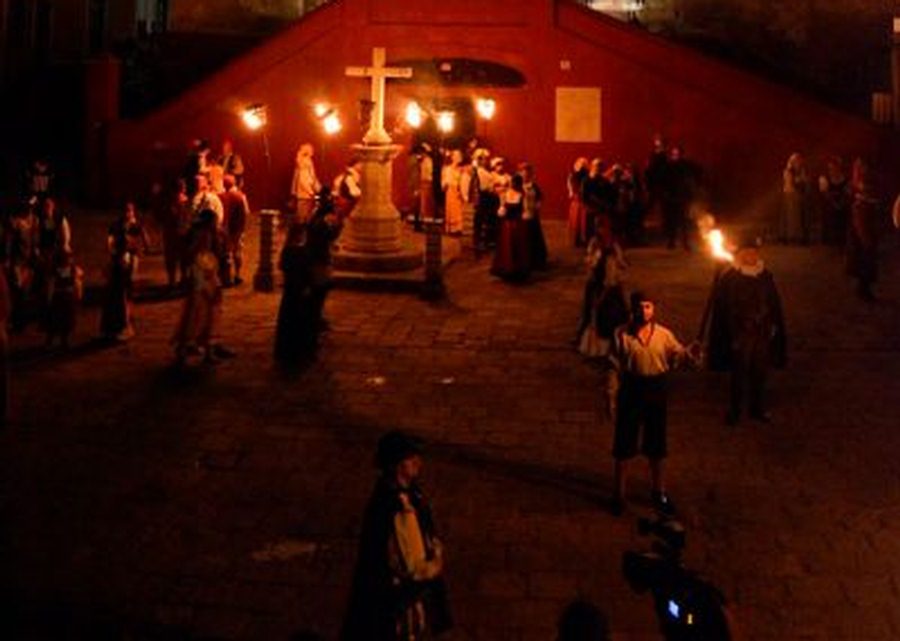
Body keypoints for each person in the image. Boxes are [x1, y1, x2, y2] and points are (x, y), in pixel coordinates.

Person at [341, 430, 452, 641]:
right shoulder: (399, 507)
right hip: (397, 596)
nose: (418, 463)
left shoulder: (399, 491)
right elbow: (412, 566)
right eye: (411, 459)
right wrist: (436, 563)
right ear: (396, 465)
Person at [609, 291, 697, 516]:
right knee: (624, 443)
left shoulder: (664, 335)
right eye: (640, 306)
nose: (644, 311)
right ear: (633, 309)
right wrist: (611, 396)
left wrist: (690, 354)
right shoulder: (620, 334)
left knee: (656, 444)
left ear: (653, 308)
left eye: (648, 306)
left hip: (656, 391)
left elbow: (678, 356)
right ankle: (619, 494)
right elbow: (613, 368)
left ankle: (659, 492)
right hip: (631, 389)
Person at [707, 233, 787, 426]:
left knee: (759, 372)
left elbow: (774, 303)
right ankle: (735, 410)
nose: (751, 255)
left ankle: (756, 408)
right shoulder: (730, 278)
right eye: (747, 252)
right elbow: (724, 309)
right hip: (740, 334)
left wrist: (773, 324)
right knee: (739, 373)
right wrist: (731, 334)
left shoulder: (765, 276)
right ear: (740, 254)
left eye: (754, 252)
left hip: (762, 332)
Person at [172, 210, 224, 364]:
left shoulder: (203, 233)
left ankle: (200, 349)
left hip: (205, 273)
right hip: (203, 274)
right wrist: (205, 282)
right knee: (199, 313)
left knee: (202, 313)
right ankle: (191, 349)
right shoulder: (204, 235)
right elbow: (197, 255)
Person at [274, 222, 317, 366]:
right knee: (299, 321)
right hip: (300, 290)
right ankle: (298, 350)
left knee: (287, 320)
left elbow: (283, 267)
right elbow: (308, 271)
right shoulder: (302, 252)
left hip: (289, 290)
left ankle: (285, 350)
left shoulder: (287, 250)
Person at [100, 205, 142, 341]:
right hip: (117, 267)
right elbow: (110, 243)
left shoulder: (134, 227)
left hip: (123, 268)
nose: (127, 213)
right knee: (115, 299)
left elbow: (141, 244)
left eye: (129, 211)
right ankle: (114, 328)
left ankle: (124, 326)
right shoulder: (116, 227)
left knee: (122, 298)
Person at [306, 187, 343, 330]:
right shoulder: (320, 222)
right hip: (319, 259)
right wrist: (338, 225)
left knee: (319, 291)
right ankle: (315, 318)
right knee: (319, 292)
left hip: (316, 258)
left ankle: (315, 317)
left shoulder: (314, 217)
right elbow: (328, 235)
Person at [846, 157, 881, 302]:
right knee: (864, 257)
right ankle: (863, 289)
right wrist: (866, 238)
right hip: (862, 220)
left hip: (867, 218)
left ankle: (864, 288)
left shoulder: (865, 183)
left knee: (866, 258)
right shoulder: (859, 187)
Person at [491, 174, 530, 281]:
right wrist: (502, 211)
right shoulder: (506, 194)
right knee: (507, 247)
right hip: (507, 225)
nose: (512, 184)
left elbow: (525, 210)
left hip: (517, 225)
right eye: (512, 182)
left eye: (514, 182)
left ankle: (517, 270)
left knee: (517, 247)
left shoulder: (522, 195)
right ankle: (506, 269)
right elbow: (502, 207)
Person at [43, 249, 82, 348]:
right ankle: (51, 340)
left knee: (66, 320)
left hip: (67, 296)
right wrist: (49, 296)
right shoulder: (58, 269)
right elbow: (53, 282)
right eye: (68, 258)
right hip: (60, 296)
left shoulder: (70, 268)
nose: (70, 259)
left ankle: (63, 339)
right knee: (57, 319)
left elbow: (75, 281)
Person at [660, 145, 695, 251]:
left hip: (681, 197)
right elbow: (664, 182)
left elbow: (688, 181)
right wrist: (666, 194)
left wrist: (688, 195)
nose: (676, 156)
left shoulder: (685, 166)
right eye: (674, 154)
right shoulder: (668, 166)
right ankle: (671, 242)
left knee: (683, 222)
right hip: (671, 198)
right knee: (672, 221)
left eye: (678, 153)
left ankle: (685, 243)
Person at [219, 174, 250, 286]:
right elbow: (245, 213)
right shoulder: (240, 196)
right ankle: (237, 275)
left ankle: (227, 277)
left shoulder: (220, 196)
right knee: (237, 252)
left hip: (224, 229)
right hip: (236, 228)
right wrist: (242, 228)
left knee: (226, 253)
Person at [520, 162, 548, 271]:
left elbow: (540, 197)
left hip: (533, 215)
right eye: (523, 172)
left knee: (534, 236)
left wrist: (538, 205)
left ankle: (536, 259)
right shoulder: (517, 185)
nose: (525, 174)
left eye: (527, 172)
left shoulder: (533, 185)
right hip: (521, 215)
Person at [818, 156, 850, 246]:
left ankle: (841, 239)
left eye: (835, 168)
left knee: (843, 212)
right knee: (830, 212)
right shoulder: (825, 179)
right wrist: (834, 203)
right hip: (829, 204)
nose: (832, 170)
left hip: (841, 203)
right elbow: (825, 194)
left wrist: (841, 203)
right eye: (830, 169)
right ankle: (830, 239)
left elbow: (847, 193)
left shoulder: (845, 179)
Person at [469, 148, 496, 254]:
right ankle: (481, 243)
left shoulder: (482, 171)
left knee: (481, 221)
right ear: (481, 160)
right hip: (485, 198)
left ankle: (480, 242)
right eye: (484, 159)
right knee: (483, 220)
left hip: (484, 198)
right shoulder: (480, 172)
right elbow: (485, 187)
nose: (486, 161)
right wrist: (492, 188)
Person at [780, 152, 810, 244]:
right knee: (792, 218)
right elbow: (789, 185)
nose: (798, 163)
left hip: (800, 197)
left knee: (800, 218)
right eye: (796, 161)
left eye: (799, 161)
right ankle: (792, 237)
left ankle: (800, 237)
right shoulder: (788, 171)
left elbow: (806, 182)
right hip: (791, 196)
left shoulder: (802, 171)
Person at [291, 143, 321, 221]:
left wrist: (318, 189)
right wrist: (311, 192)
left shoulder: (306, 162)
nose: (313, 151)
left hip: (305, 194)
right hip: (305, 195)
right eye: (311, 149)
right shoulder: (305, 162)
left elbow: (312, 177)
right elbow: (303, 179)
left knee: (304, 216)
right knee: (303, 216)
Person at [567, 157, 590, 247]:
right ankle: (576, 239)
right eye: (581, 164)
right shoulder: (574, 175)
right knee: (577, 220)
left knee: (583, 221)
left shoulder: (587, 175)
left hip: (583, 201)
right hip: (577, 201)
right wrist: (571, 192)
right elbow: (570, 184)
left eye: (584, 164)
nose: (582, 166)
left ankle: (583, 239)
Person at [442, 150, 466, 235]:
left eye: (459, 156)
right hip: (450, 190)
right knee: (451, 209)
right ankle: (451, 228)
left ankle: (457, 228)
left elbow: (463, 180)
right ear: (452, 157)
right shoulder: (447, 168)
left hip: (458, 189)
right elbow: (445, 180)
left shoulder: (461, 170)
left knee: (458, 210)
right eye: (456, 156)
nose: (458, 158)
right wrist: (446, 184)